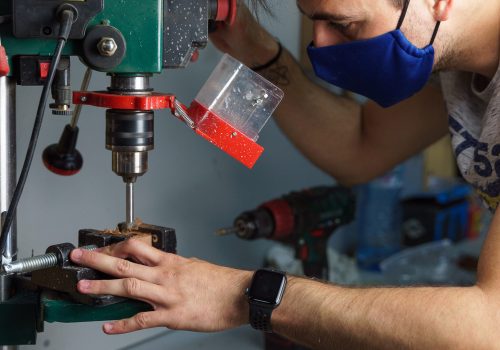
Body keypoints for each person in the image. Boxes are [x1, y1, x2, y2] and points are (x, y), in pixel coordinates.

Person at [70, 0, 500, 348]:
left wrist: (244, 296)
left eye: (344, 25)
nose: (321, 45)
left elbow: (489, 325)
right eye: (313, 22)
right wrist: (257, 50)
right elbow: (360, 145)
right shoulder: (456, 66)